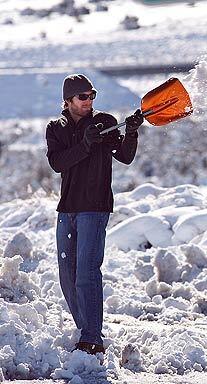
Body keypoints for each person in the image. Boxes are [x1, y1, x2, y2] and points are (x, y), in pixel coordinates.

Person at [45, 74, 144, 355]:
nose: (89, 101)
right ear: (68, 101)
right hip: (67, 208)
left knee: (87, 273)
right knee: (68, 273)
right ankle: (84, 329)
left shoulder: (106, 123)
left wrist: (132, 132)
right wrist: (85, 145)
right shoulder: (55, 128)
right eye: (83, 97)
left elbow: (124, 156)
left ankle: (92, 338)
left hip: (95, 206)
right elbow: (57, 162)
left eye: (92, 95)